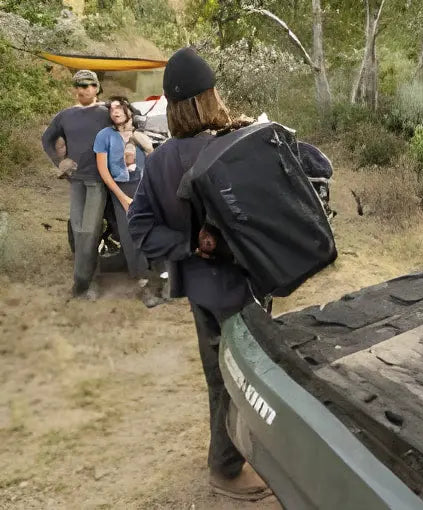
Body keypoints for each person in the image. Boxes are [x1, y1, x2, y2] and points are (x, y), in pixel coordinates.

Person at [127, 48, 271, 501]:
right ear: (210, 98)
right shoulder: (233, 146)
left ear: (172, 108)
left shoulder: (159, 160)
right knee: (241, 379)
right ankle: (226, 468)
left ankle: (233, 454)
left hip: (199, 289)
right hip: (240, 287)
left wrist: (187, 246)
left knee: (220, 376)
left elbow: (139, 228)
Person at [42, 70, 110, 298]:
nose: (84, 89)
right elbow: (47, 139)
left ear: (97, 88)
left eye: (89, 85)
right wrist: (60, 162)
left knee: (90, 230)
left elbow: (132, 121)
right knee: (80, 229)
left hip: (100, 180)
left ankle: (83, 283)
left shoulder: (107, 111)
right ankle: (85, 281)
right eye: (79, 85)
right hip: (77, 181)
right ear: (74, 89)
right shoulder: (66, 116)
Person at [93, 96, 153, 282]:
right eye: (111, 109)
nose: (115, 111)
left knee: (150, 230)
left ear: (129, 110)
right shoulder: (104, 135)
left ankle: (157, 272)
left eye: (119, 107)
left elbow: (154, 163)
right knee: (128, 233)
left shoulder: (142, 134)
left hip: (143, 188)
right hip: (120, 188)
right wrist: (121, 197)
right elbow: (103, 171)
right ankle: (141, 276)